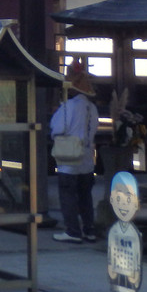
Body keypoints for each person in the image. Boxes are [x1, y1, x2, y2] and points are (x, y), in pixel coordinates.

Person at [50, 63, 99, 243]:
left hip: (69, 156)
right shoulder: (92, 109)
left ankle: (72, 230)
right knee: (85, 195)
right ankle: (89, 229)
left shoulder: (68, 106)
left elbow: (57, 128)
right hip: (87, 157)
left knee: (68, 193)